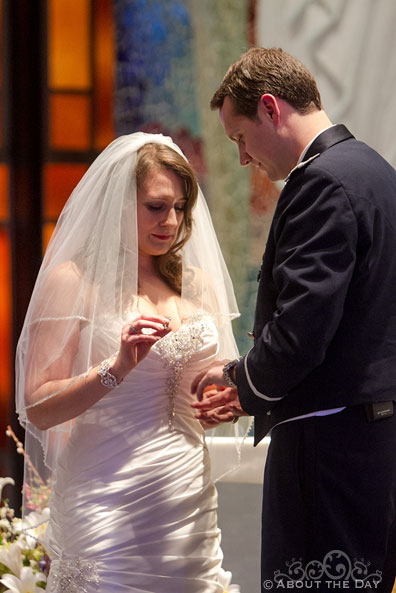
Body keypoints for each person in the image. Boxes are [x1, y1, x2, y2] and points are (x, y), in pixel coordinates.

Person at [191, 47, 396, 592]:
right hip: (372, 439)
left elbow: (302, 331)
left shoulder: (321, 183)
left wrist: (239, 381)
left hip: (329, 447)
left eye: (240, 137)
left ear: (270, 108)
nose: (242, 158)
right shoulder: (377, 171)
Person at [15, 132, 248, 592]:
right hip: (106, 495)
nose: (171, 221)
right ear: (119, 204)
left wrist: (224, 402)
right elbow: (37, 406)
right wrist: (115, 369)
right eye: (156, 207)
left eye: (180, 208)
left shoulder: (193, 284)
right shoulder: (75, 280)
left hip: (186, 500)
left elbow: (206, 389)